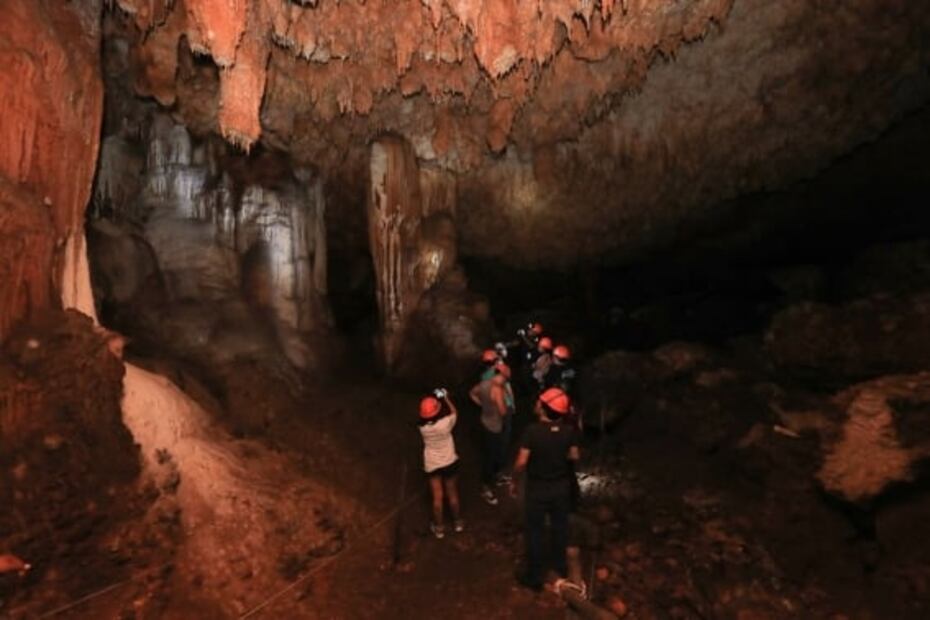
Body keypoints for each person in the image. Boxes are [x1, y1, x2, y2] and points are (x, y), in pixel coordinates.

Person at [509, 387, 580, 591]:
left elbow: (522, 462)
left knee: (535, 531)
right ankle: (560, 568)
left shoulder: (532, 431)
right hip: (561, 489)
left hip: (538, 490)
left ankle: (534, 576)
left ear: (544, 408)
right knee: (560, 528)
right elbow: (574, 456)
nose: (537, 403)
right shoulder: (569, 431)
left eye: (540, 402)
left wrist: (514, 479)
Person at [418, 389, 464, 539]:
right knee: (452, 493)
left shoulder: (422, 428)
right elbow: (454, 413)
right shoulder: (445, 424)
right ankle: (458, 523)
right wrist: (446, 399)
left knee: (437, 497)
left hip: (432, 464)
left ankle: (439, 528)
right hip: (449, 461)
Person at [469, 364, 509, 505]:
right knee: (491, 456)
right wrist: (504, 399)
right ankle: (485, 487)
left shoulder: (484, 383)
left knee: (492, 453)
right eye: (506, 378)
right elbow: (503, 411)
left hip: (485, 420)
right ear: (501, 376)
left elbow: (472, 393)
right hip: (494, 426)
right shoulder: (498, 390)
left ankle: (497, 476)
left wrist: (482, 404)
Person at [480, 349, 517, 484]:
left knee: (497, 444)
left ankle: (496, 472)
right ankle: (495, 474)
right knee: (501, 443)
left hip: (494, 413)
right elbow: (508, 377)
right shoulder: (497, 374)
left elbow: (474, 393)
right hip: (501, 412)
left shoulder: (485, 377)